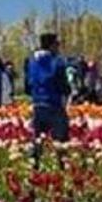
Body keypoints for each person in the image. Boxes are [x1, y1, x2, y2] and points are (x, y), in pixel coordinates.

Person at [26, 33, 73, 168]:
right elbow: (63, 85)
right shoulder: (57, 62)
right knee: (60, 140)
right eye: (57, 45)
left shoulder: (32, 61)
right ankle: (62, 168)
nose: (58, 48)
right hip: (54, 105)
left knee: (38, 138)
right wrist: (68, 91)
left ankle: (35, 166)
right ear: (51, 45)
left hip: (38, 104)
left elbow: (28, 84)